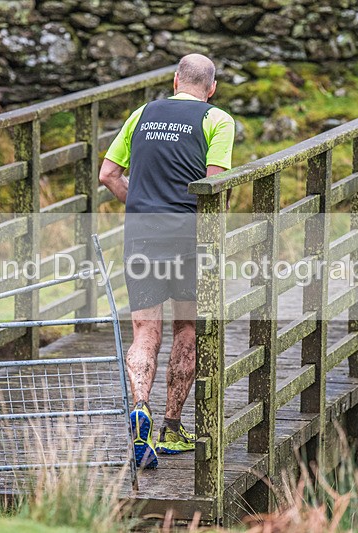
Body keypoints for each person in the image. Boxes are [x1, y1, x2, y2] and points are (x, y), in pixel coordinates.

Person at [99, 54, 235, 469]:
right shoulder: (218, 120)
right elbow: (214, 186)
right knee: (187, 328)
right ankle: (172, 429)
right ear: (211, 88)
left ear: (176, 81)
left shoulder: (142, 113)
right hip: (188, 236)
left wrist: (140, 205)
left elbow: (107, 175)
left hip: (142, 234)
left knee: (144, 330)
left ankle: (140, 406)